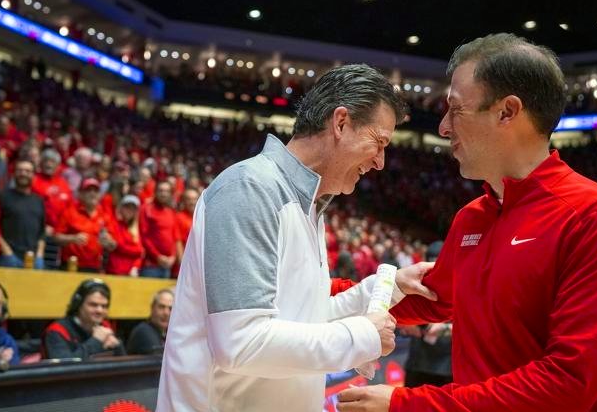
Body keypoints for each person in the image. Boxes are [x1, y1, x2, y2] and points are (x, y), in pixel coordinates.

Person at [336, 33, 597, 411]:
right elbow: (423, 300)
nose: (443, 127)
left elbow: (568, 384)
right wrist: (307, 290)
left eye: (455, 109)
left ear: (507, 112)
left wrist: (408, 404)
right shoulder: (472, 217)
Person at [157, 64, 437, 412]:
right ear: (341, 123)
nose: (380, 162)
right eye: (378, 143)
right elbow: (241, 343)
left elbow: (304, 321)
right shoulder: (250, 189)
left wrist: (385, 288)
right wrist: (362, 335)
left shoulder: (308, 207)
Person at [401, 241, 452, 388]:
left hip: (446, 366)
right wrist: (407, 325)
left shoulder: (464, 282)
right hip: (418, 362)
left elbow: (472, 325)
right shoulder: (417, 282)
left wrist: (446, 329)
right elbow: (401, 320)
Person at [42, 278, 125, 359]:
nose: (100, 310)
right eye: (93, 305)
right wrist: (96, 341)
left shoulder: (105, 327)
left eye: (104, 306)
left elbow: (124, 366)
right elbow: (64, 369)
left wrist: (117, 346)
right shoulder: (57, 331)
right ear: (78, 305)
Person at [54, 178, 114, 272]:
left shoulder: (105, 215)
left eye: (96, 191)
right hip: (70, 265)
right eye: (88, 190)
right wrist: (73, 238)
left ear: (99, 195)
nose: (92, 193)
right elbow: (56, 237)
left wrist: (108, 241)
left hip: (94, 267)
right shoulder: (69, 212)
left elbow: (113, 244)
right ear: (80, 194)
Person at [0, 159, 46, 269]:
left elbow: (42, 232)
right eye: (20, 170)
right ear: (14, 173)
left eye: (28, 171)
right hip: (8, 258)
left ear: (33, 175)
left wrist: (39, 255)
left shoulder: (38, 200)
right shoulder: (3, 197)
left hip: (33, 259)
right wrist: (7, 252)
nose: (23, 174)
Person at [139, 180, 181, 278]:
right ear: (155, 192)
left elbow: (174, 238)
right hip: (150, 265)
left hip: (167, 265)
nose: (163, 194)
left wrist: (173, 257)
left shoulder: (171, 212)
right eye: (161, 191)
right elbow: (144, 237)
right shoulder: (146, 209)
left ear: (171, 194)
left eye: (166, 191)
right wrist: (157, 256)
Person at [105, 194, 144, 276]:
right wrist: (136, 250)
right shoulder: (113, 225)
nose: (130, 210)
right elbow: (115, 245)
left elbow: (140, 253)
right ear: (121, 208)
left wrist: (135, 267)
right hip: (114, 271)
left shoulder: (138, 228)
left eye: (133, 208)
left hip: (131, 273)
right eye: (127, 207)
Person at [126, 289, 174, 355]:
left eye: (170, 308)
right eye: (161, 307)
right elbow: (159, 360)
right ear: (152, 308)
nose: (166, 313)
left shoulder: (167, 333)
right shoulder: (143, 331)